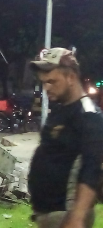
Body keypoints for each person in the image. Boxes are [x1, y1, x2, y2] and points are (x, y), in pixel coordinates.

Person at [28, 48, 103, 228]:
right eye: (44, 83)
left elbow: (91, 170)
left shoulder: (88, 115)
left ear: (70, 78)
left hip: (66, 217)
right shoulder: (61, 109)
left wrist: (77, 217)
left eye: (52, 82)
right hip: (48, 215)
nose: (46, 88)